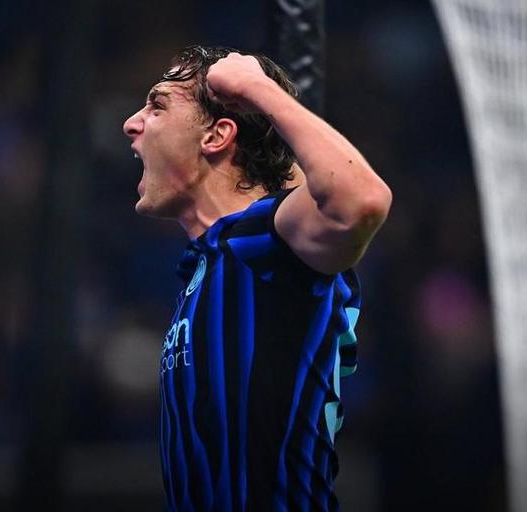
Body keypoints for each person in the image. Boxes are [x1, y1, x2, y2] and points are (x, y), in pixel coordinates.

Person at [123, 45, 392, 511]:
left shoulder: (267, 240)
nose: (132, 123)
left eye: (158, 105)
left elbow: (362, 200)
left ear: (217, 135)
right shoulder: (208, 263)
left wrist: (255, 88)